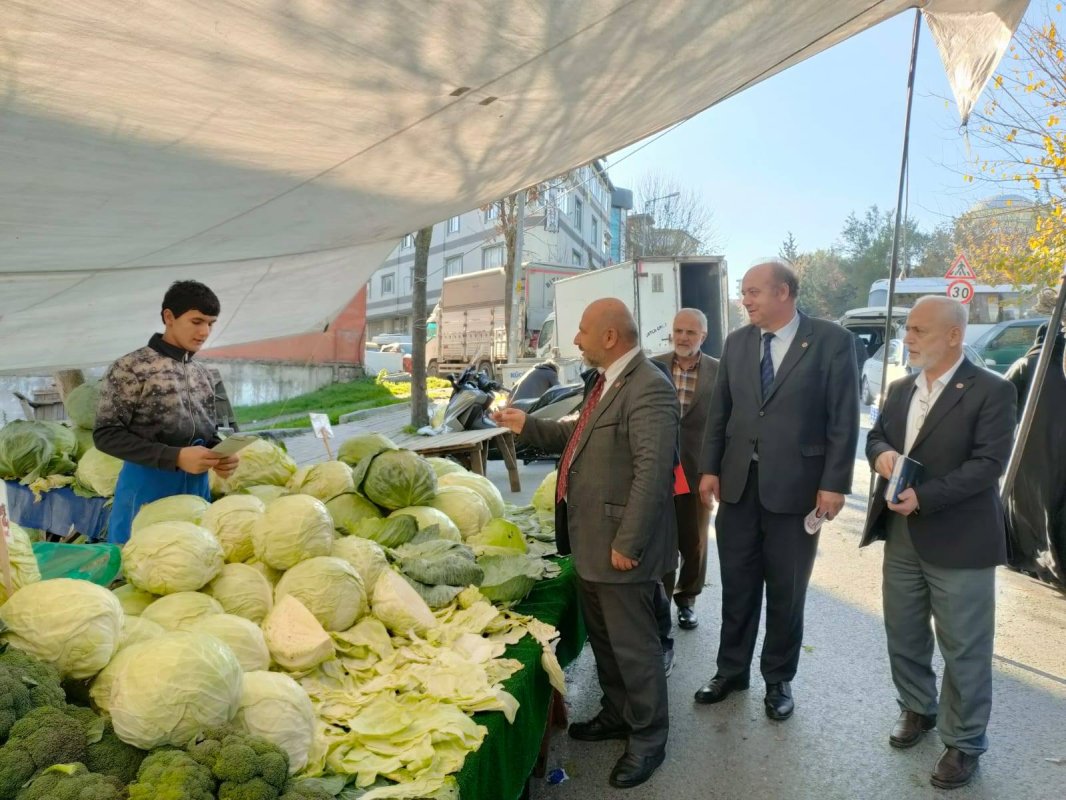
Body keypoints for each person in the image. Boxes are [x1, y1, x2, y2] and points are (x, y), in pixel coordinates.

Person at [495, 298, 679, 790]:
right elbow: (578, 437)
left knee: (635, 649)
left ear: (610, 338)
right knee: (607, 644)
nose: (575, 340)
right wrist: (525, 425)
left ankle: (648, 739)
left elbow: (653, 473)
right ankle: (617, 713)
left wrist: (630, 542)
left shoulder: (649, 388)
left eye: (581, 331)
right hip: (594, 545)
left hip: (622, 549)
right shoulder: (607, 382)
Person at [861, 296, 1016, 791]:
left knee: (965, 647)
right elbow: (876, 437)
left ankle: (965, 742)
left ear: (954, 336)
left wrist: (924, 499)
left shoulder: (992, 390)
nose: (908, 338)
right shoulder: (901, 387)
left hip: (961, 539)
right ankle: (917, 709)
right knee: (904, 632)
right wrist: (883, 454)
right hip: (902, 535)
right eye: (908, 328)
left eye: (920, 331)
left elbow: (988, 466)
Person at [696, 258, 859, 720]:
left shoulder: (831, 342)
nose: (744, 299)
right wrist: (710, 469)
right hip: (738, 488)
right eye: (744, 292)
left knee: (786, 591)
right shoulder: (737, 342)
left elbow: (843, 419)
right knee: (737, 585)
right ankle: (731, 671)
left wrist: (834, 483)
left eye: (753, 292)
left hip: (798, 491)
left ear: (784, 292)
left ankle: (778, 678)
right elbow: (720, 413)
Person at [94, 281, 238, 544]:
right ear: (168, 317)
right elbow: (106, 435)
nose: (205, 331)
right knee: (141, 565)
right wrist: (175, 457)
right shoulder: (132, 367)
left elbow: (207, 431)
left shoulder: (203, 374)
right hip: (147, 492)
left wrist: (221, 453)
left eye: (211, 323)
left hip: (196, 494)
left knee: (192, 562)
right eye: (196, 321)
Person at [652, 308, 719, 630]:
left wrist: (716, 471)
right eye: (678, 330)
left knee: (695, 542)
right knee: (661, 540)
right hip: (658, 470)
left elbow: (727, 426)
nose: (682, 337)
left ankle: (688, 599)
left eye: (690, 333)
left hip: (697, 471)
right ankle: (661, 599)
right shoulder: (653, 366)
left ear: (702, 336)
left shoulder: (720, 372)